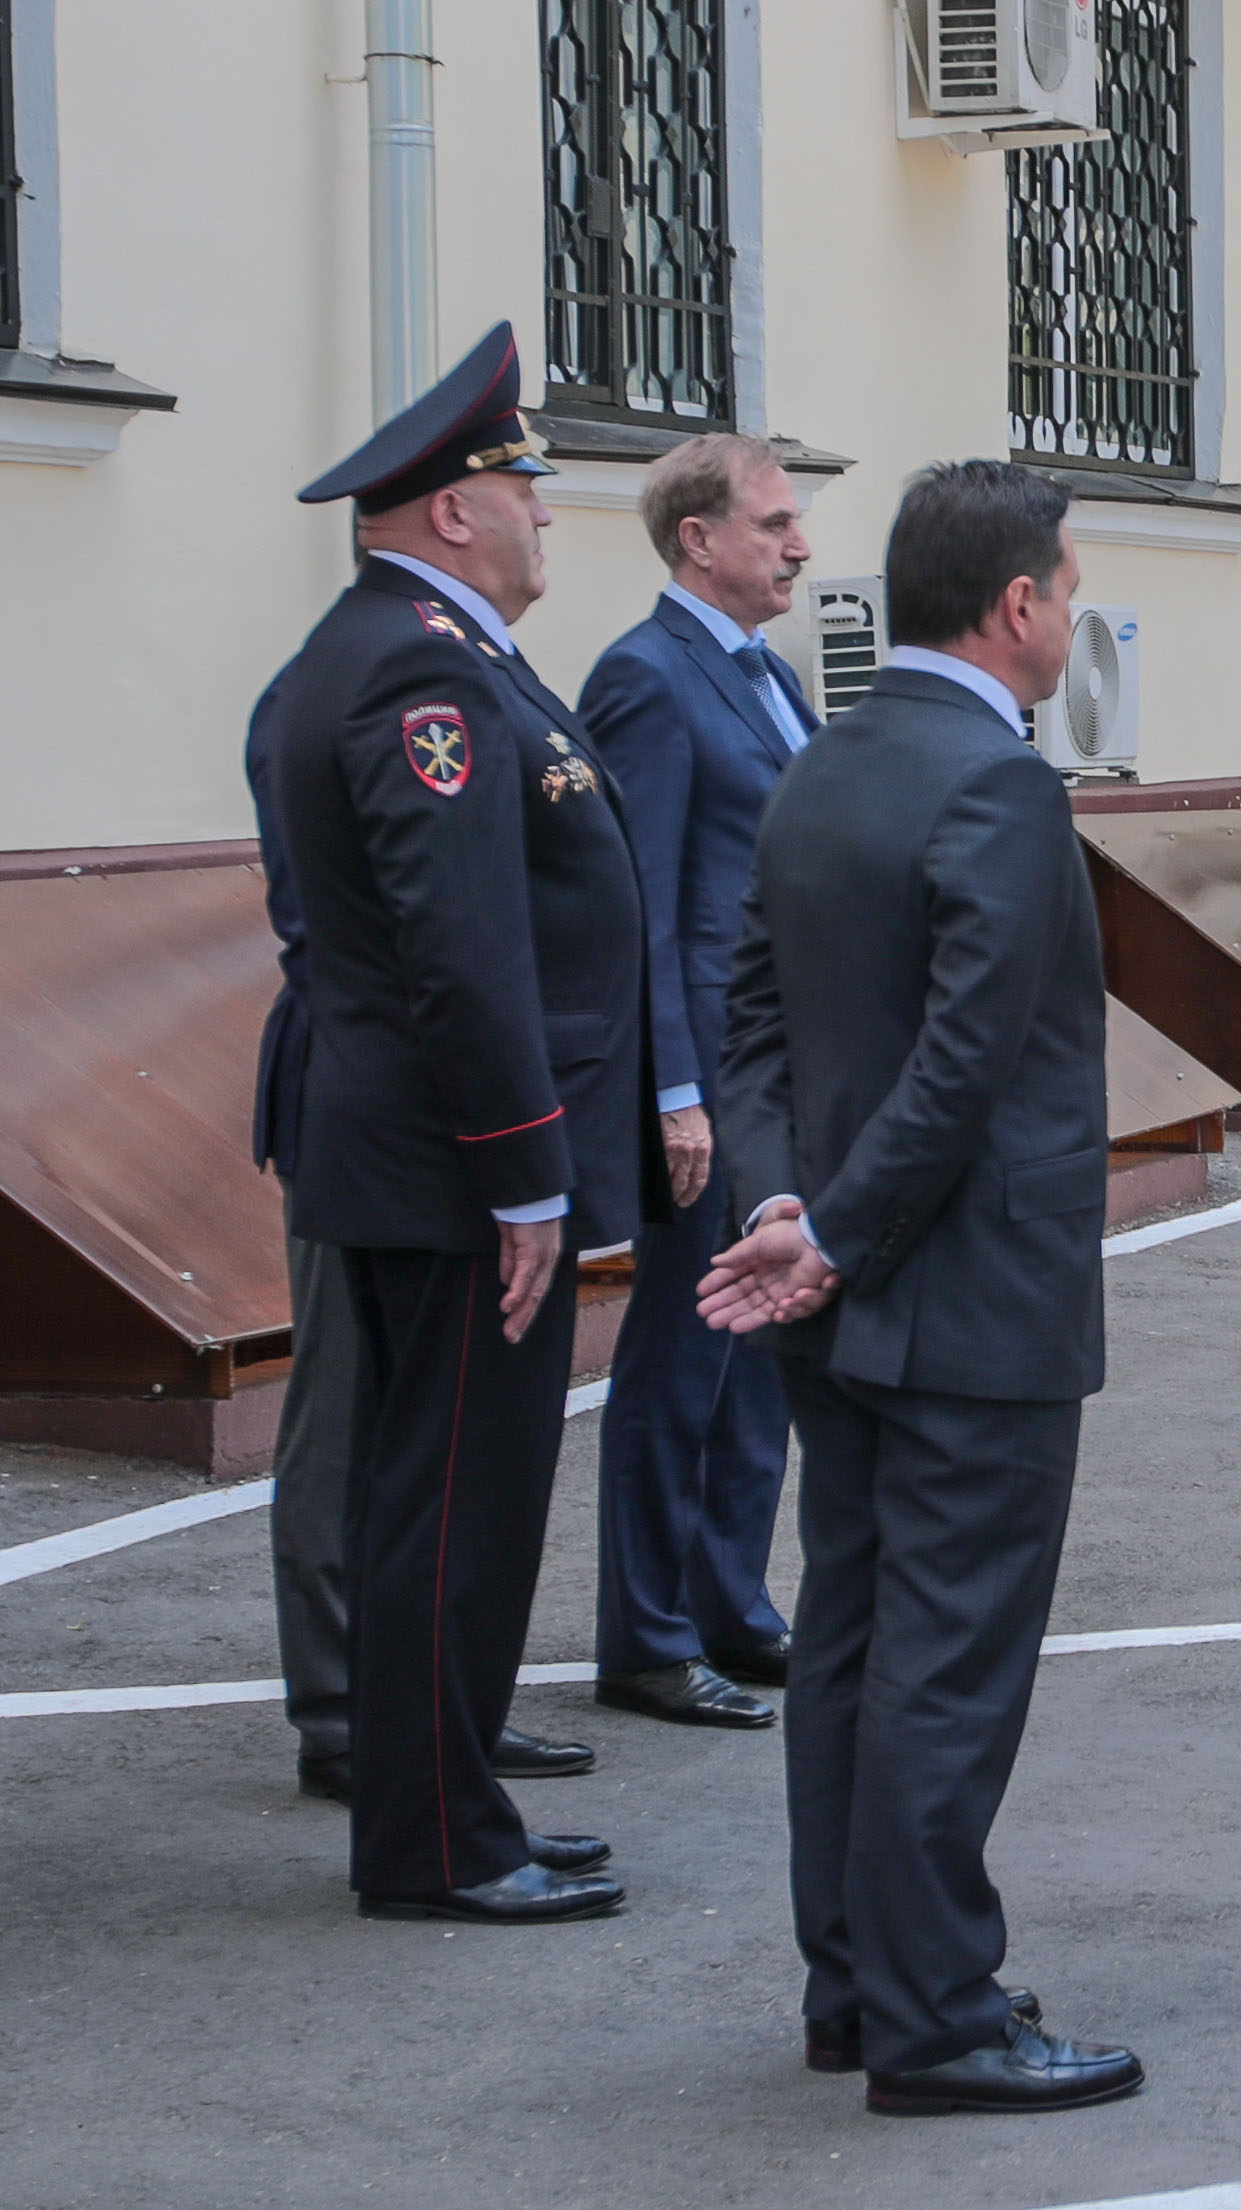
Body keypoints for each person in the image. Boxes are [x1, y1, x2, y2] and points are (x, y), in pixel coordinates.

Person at [698, 459, 1141, 2115]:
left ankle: (859, 1984)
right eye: (1068, 592)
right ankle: (938, 2017)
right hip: (965, 1297)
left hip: (843, 1296)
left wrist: (787, 1203)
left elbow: (751, 1020)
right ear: (1016, 605)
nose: (1073, 619)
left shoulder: (827, 760)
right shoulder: (999, 784)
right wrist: (831, 1230)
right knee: (946, 1662)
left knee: (856, 1638)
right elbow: (967, 1061)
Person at [267, 322, 662, 1923]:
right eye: (523, 488)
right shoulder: (417, 667)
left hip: (429, 1152)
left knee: (445, 1495)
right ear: (452, 512)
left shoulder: (414, 648)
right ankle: (436, 1844)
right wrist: (521, 1176)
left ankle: (451, 1806)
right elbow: (459, 943)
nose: (545, 511)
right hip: (448, 1164)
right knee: (451, 1505)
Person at [244, 679, 600, 1807]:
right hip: (372, 1096)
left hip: (436, 1088)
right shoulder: (345, 693)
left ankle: (435, 1709)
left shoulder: (459, 677)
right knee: (348, 1415)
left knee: (432, 1435)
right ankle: (344, 1709)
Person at [578, 433, 819, 1732]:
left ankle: (732, 1601)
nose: (798, 545)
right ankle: (648, 1633)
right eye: (774, 523)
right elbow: (642, 910)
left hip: (778, 1080)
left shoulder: (767, 673)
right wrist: (673, 1087)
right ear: (697, 538)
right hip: (709, 1083)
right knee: (681, 1357)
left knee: (763, 1349)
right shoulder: (648, 676)